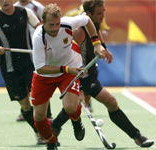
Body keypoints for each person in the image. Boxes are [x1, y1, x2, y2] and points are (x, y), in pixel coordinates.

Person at [52, 0, 154, 148]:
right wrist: (77, 87)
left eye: (104, 11)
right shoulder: (79, 31)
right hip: (79, 75)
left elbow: (97, 31)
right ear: (88, 14)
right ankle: (138, 137)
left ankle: (54, 127)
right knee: (101, 104)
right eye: (99, 13)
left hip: (90, 72)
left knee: (81, 106)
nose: (103, 15)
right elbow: (69, 59)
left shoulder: (94, 22)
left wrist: (104, 47)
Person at [31, 3, 106, 150]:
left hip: (69, 67)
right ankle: (51, 141)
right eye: (51, 25)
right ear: (43, 22)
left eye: (57, 24)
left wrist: (96, 43)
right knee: (39, 117)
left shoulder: (67, 23)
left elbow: (87, 20)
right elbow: (40, 68)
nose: (55, 28)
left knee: (71, 107)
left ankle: (76, 121)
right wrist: (66, 69)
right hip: (45, 75)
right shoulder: (38, 37)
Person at [0, 0, 45, 145]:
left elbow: (40, 29)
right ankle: (38, 132)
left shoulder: (25, 12)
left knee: (40, 98)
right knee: (25, 105)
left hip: (30, 64)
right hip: (9, 68)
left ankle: (48, 129)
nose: (5, 1)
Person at [14, 0, 53, 122]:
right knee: (24, 82)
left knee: (40, 82)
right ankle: (25, 112)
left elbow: (44, 26)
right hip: (21, 51)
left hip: (36, 50)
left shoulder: (37, 7)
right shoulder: (13, 7)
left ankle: (48, 114)